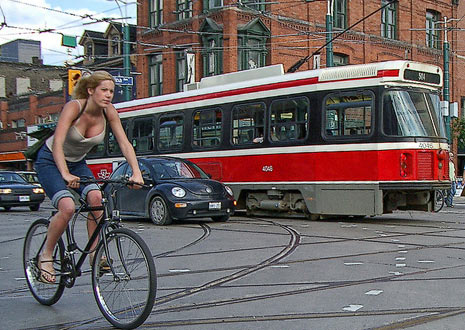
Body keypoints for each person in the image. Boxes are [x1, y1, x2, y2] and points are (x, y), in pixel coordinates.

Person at [34, 71, 144, 283]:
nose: (109, 95)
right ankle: (46, 255)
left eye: (111, 91)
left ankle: (95, 254)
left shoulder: (108, 111)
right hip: (50, 161)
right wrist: (65, 173)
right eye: (104, 90)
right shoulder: (74, 107)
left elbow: (124, 143)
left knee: (96, 199)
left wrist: (136, 171)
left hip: (77, 163)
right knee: (67, 207)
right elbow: (57, 142)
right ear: (91, 90)